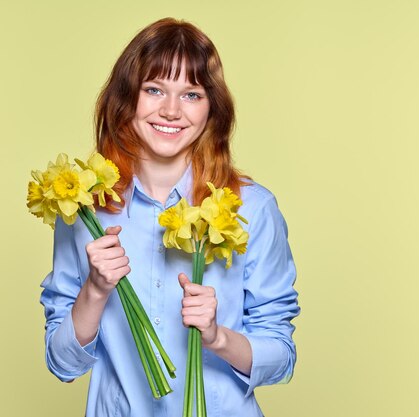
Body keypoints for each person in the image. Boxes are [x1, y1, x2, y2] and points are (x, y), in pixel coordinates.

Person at [40, 17, 300, 417]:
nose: (171, 110)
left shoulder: (252, 208)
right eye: (154, 89)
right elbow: (63, 364)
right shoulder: (84, 210)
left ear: (212, 107)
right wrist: (94, 290)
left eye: (192, 94)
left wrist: (217, 337)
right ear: (127, 98)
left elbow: (281, 356)